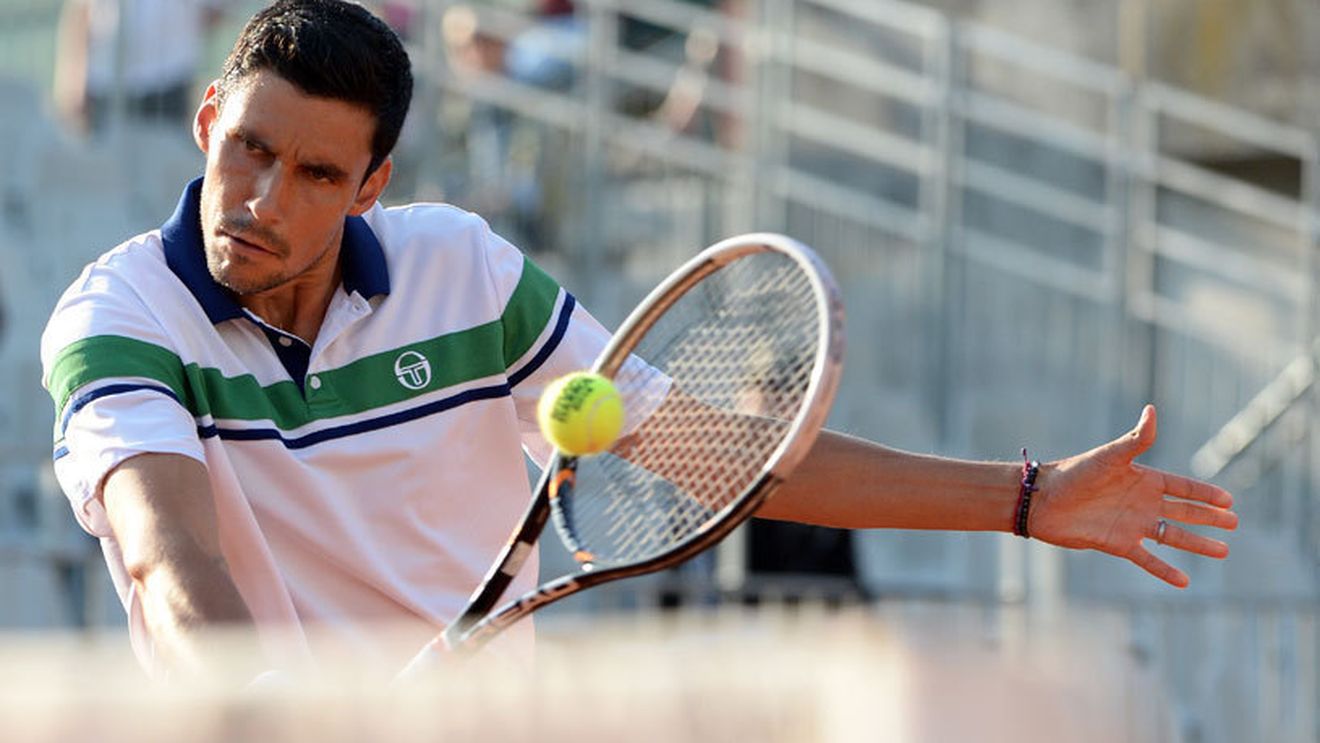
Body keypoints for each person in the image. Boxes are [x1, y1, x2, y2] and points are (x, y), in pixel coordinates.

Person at [40, 0, 1237, 684]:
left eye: (314, 173)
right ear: (208, 119)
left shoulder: (464, 273)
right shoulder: (119, 318)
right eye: (249, 149)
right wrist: (272, 712)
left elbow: (728, 458)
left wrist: (1027, 497)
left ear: (371, 186)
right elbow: (168, 556)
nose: (262, 198)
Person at [54, 0, 230, 134]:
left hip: (168, 82)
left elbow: (215, 12)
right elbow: (80, 13)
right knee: (105, 162)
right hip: (105, 83)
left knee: (163, 158)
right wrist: (72, 83)